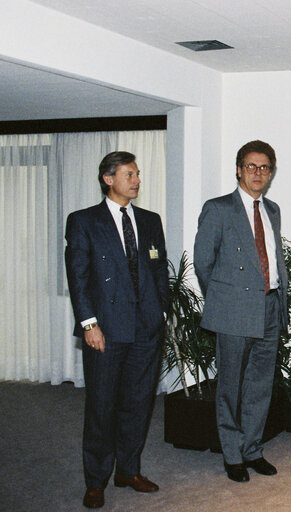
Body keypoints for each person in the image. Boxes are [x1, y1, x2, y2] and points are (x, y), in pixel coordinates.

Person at [65, 151, 169, 509]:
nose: (137, 180)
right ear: (109, 179)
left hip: (146, 330)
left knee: (138, 404)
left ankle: (128, 470)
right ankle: (96, 480)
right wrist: (88, 324)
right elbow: (77, 278)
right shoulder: (83, 221)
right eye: (129, 174)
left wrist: (163, 313)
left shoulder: (150, 220)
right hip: (105, 330)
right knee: (102, 406)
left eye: (138, 174)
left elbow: (158, 272)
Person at [194, 140, 288, 483]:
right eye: (251, 166)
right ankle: (232, 454)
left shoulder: (273, 210)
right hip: (234, 311)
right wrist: (225, 300)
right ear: (238, 169)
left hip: (270, 307)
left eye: (264, 167)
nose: (258, 173)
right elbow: (204, 263)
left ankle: (252, 450)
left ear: (271, 172)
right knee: (230, 386)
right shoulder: (218, 209)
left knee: (260, 386)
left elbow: (274, 258)